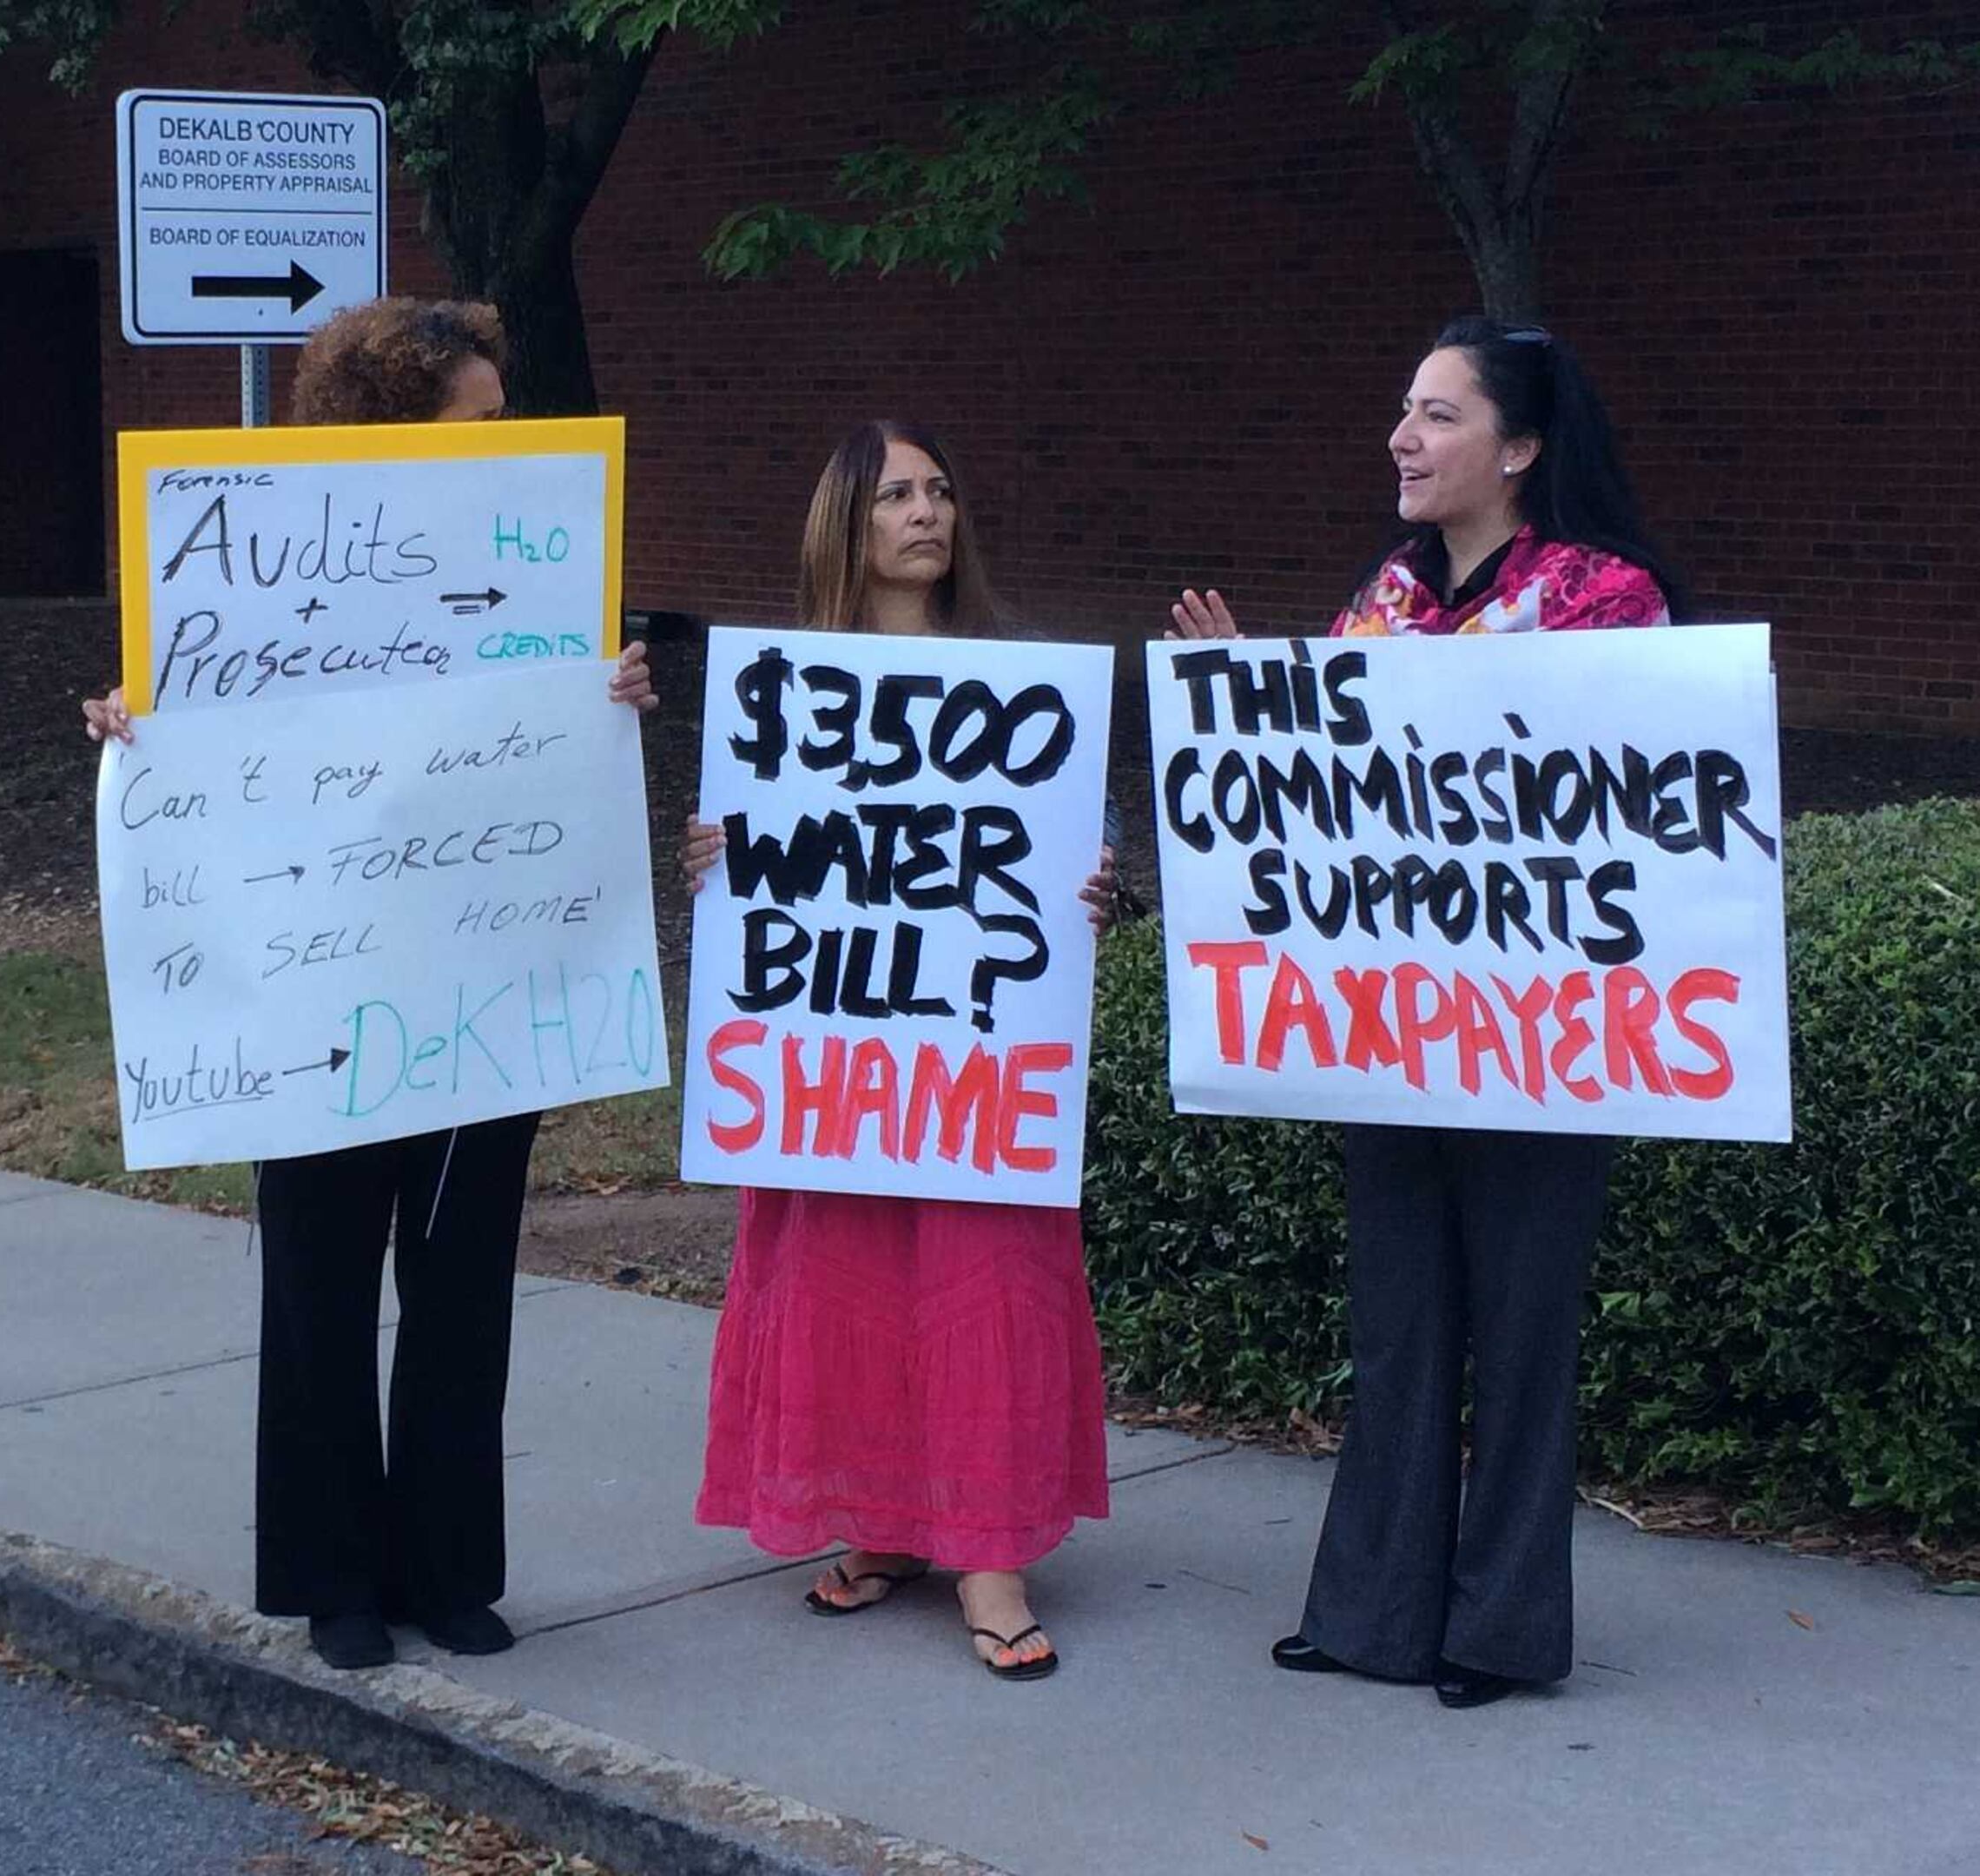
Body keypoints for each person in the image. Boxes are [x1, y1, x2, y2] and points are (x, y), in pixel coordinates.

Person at [82, 296, 652, 1670]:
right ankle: (336, 1576)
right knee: (321, 1284)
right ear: (394, 423)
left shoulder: (539, 561)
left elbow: (545, 730)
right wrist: (125, 728)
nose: (504, 438)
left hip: (482, 977)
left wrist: (611, 690)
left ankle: (449, 1569)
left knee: (463, 1287)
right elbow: (198, 728)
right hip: (312, 988)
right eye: (478, 417)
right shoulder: (268, 556)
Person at [1168, 316, 1683, 1709]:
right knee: (1399, 1326)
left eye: (1440, 415)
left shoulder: (1607, 602)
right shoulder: (1379, 604)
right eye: (1403, 410)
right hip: (1395, 1040)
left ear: (1518, 448)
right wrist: (1247, 698)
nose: (1404, 436)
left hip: (1544, 1048)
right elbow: (1335, 805)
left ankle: (1499, 1630)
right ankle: (1371, 1615)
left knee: (1521, 1333)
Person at [676, 421, 1119, 1681]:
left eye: (942, 489)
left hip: (973, 1062)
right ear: (848, 527)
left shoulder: (1019, 686)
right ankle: (880, 1522)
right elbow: (763, 881)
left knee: (981, 1273)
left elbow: (1062, 864)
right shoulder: (785, 694)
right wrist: (720, 864)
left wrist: (1096, 889)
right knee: (847, 1270)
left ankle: (988, 1553)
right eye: (898, 496)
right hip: (843, 1064)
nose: (928, 512)